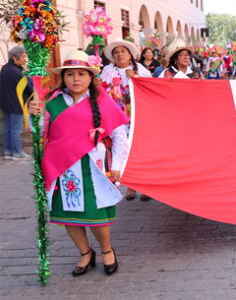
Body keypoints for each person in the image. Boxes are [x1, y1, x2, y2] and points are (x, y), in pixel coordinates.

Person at [31, 50, 128, 276]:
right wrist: (33, 117)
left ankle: (106, 250)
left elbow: (119, 135)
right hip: (60, 168)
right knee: (69, 215)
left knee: (97, 214)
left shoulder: (103, 101)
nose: (76, 79)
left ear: (90, 77)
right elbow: (39, 134)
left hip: (93, 166)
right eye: (70, 74)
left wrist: (118, 165)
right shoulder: (52, 104)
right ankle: (85, 253)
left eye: (81, 74)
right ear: (63, 78)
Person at [101, 39, 151, 201]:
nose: (119, 54)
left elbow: (150, 89)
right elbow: (101, 92)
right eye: (116, 52)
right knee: (123, 150)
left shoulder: (140, 70)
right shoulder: (107, 70)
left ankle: (144, 185)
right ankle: (131, 185)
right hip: (116, 119)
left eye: (123, 51)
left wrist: (135, 78)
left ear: (130, 55)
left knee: (140, 151)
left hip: (137, 117)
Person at [0, 45, 32, 160]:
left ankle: (8, 151)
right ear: (14, 58)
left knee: (8, 128)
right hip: (16, 104)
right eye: (23, 57)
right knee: (16, 130)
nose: (25, 59)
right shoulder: (17, 72)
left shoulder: (5, 68)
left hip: (6, 104)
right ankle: (17, 152)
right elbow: (28, 88)